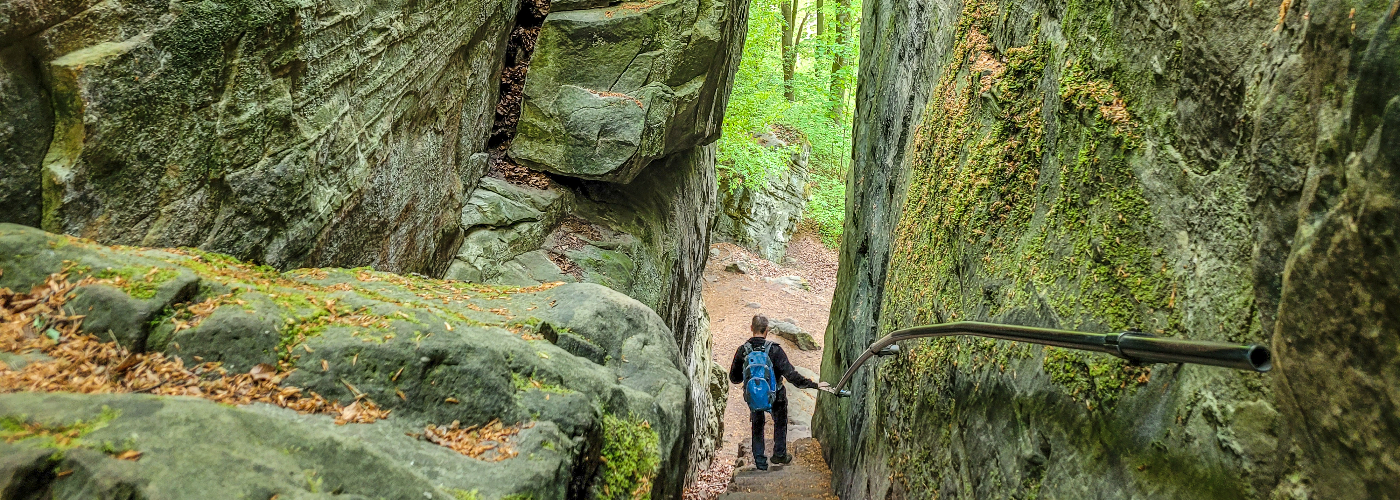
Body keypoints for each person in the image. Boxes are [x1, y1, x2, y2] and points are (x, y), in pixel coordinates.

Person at [728, 314, 828, 470]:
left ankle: (760, 461)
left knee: (757, 424)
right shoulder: (775, 350)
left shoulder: (743, 350)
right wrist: (814, 385)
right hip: (776, 395)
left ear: (751, 328)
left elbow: (734, 378)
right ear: (767, 330)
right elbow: (792, 376)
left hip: (755, 396)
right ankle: (779, 454)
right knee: (780, 422)